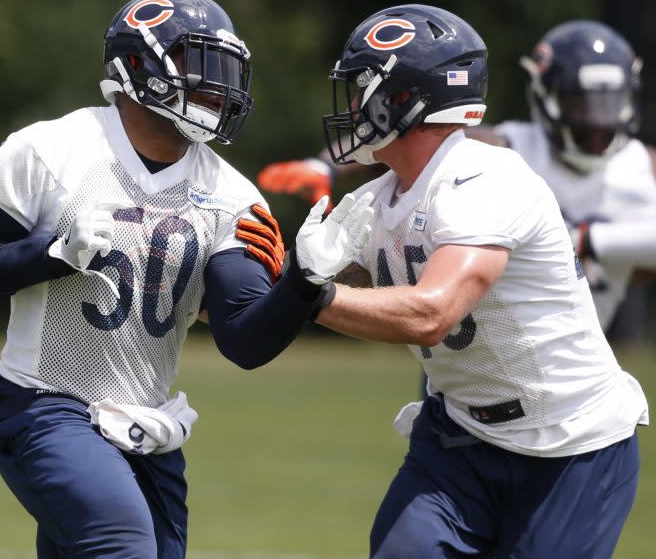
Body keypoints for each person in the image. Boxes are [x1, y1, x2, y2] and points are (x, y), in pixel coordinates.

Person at [0, 0, 372, 559]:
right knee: (120, 547)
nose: (218, 89)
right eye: (200, 68)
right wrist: (47, 253)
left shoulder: (230, 194)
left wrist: (302, 283)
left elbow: (243, 339)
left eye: (225, 71)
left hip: (144, 420)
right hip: (44, 401)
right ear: (138, 68)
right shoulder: (55, 149)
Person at [251, 4, 648, 559]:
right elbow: (286, 297)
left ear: (407, 99)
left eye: (367, 89)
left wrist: (310, 295)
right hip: (461, 431)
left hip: (570, 443)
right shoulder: (380, 199)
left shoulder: (485, 181)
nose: (356, 107)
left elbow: (431, 313)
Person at [258, 19, 656, 341]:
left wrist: (591, 243)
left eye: (608, 102)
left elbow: (430, 314)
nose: (596, 118)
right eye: (580, 102)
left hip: (557, 398)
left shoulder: (484, 172)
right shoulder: (506, 145)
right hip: (461, 379)